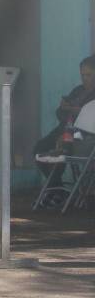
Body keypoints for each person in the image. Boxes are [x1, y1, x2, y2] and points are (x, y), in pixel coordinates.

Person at [34, 55, 95, 201]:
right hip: (64, 130)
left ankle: (56, 192)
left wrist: (78, 112)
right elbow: (60, 115)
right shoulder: (78, 90)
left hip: (84, 136)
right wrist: (63, 108)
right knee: (39, 149)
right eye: (82, 75)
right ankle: (57, 188)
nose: (85, 79)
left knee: (63, 148)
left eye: (89, 75)